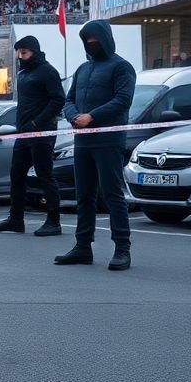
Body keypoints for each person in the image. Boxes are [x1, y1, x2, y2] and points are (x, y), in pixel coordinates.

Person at [56, 19, 136, 271]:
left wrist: (92, 116)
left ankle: (122, 248)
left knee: (113, 195)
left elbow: (123, 100)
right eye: (86, 41)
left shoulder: (122, 67)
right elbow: (68, 99)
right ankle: (83, 247)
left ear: (105, 39)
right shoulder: (82, 69)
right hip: (83, 142)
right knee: (84, 196)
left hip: (108, 141)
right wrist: (73, 116)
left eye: (94, 40)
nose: (90, 45)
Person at [0, 35, 66, 237]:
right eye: (18, 53)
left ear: (33, 51)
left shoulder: (48, 71)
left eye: (23, 53)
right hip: (24, 132)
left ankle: (54, 221)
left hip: (42, 132)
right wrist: (23, 125)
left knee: (45, 175)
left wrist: (37, 122)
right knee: (16, 175)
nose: (20, 57)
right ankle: (16, 219)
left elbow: (58, 100)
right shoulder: (23, 74)